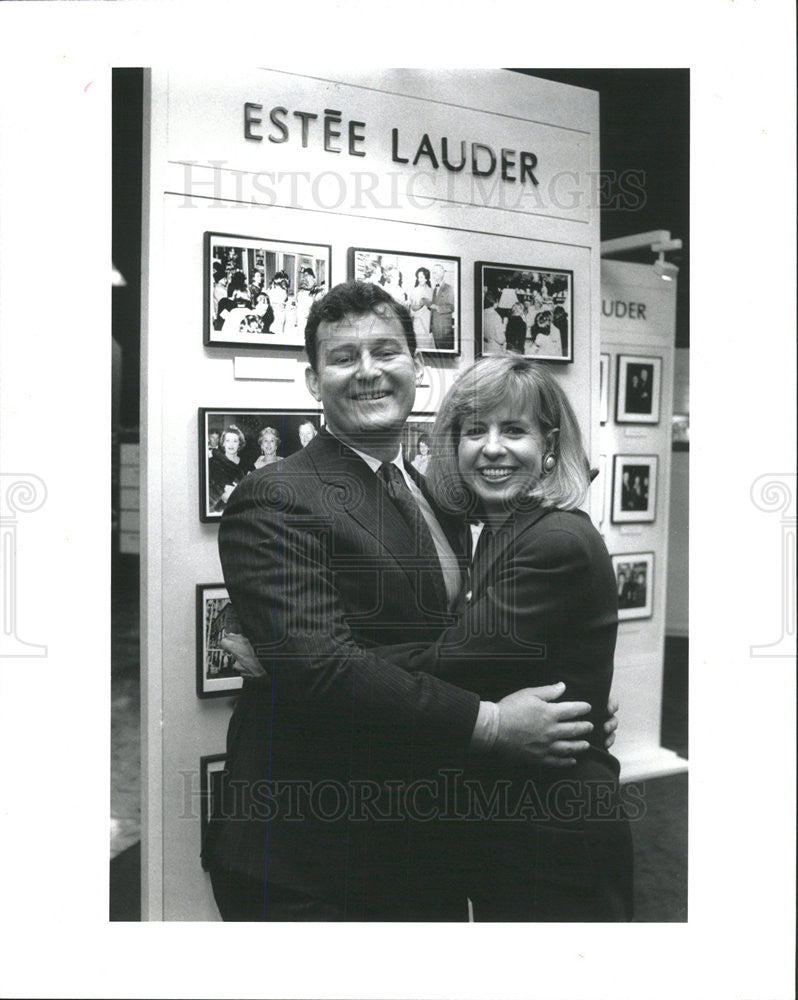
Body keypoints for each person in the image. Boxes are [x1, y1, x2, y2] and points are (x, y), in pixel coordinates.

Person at [204, 281, 613, 921]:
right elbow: (322, 669)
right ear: (314, 382)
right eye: (343, 357)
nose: (368, 371)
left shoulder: (437, 495)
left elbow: (469, 643)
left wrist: (568, 694)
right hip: (311, 858)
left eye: (387, 351)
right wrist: (494, 724)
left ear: (417, 370)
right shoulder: (276, 495)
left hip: (418, 848)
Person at [377, 356, 632, 920]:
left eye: (513, 430)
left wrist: (316, 660)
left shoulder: (553, 540)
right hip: (517, 818)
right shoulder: (504, 530)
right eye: (475, 430)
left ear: (549, 444)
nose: (492, 448)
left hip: (555, 827)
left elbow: (457, 660)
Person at [207, 425, 250, 513]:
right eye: (228, 440)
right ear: (223, 443)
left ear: (239, 444)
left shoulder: (247, 463)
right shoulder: (213, 463)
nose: (231, 444)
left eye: (235, 441)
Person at [429, 263, 455, 350]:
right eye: (433, 272)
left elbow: (451, 307)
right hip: (435, 329)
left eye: (435, 272)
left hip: (444, 329)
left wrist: (437, 307)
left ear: (442, 274)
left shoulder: (448, 288)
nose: (433, 275)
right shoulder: (435, 289)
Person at [408, 267, 433, 349]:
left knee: (427, 345)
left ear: (426, 278)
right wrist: (419, 306)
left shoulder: (431, 291)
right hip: (418, 321)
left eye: (422, 277)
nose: (419, 279)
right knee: (418, 345)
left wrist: (428, 303)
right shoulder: (414, 291)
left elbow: (434, 308)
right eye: (418, 277)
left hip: (428, 321)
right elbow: (412, 309)